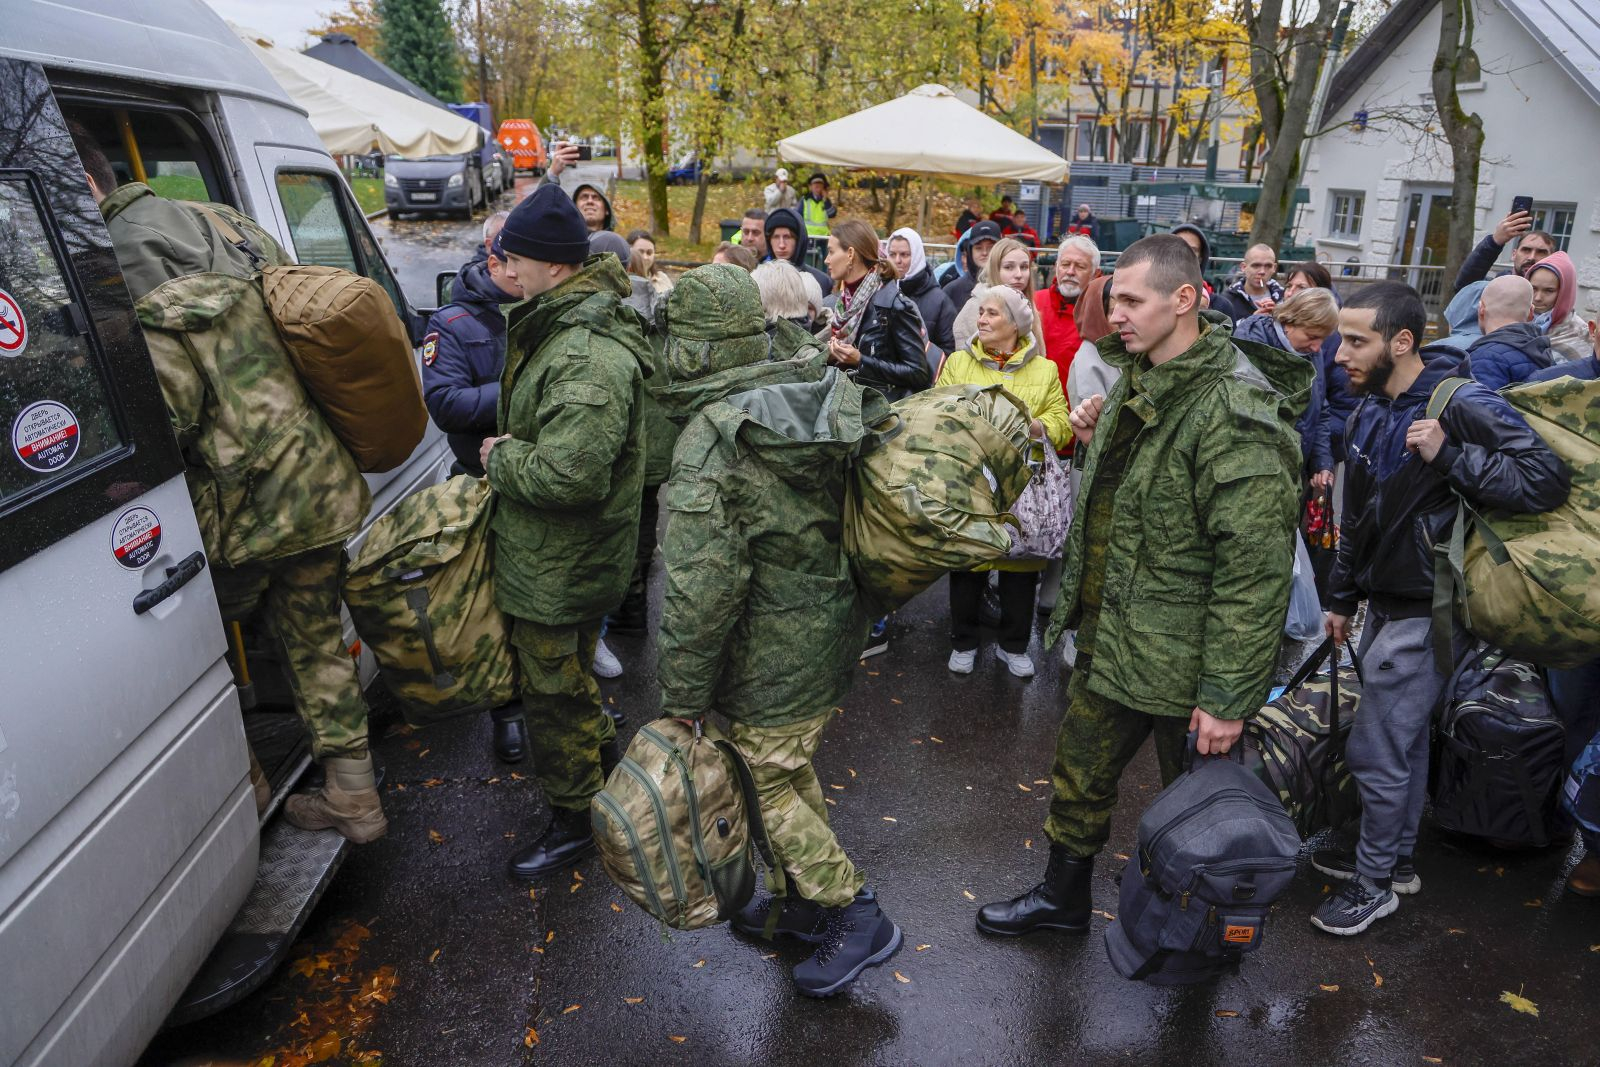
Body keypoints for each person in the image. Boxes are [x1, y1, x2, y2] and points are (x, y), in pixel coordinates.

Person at [976, 235, 1310, 939]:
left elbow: (1252, 572)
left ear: (1183, 299)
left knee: (1200, 810)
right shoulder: (1142, 374)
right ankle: (1063, 900)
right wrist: (1100, 433)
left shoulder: (1234, 410)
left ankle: (1204, 936)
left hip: (1188, 666)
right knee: (1078, 775)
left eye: (1130, 299)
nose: (1113, 313)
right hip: (1118, 638)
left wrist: (1226, 697)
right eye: (1112, 297)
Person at [76, 128, 388, 842]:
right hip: (316, 477)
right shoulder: (224, 219)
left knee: (198, 647)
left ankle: (243, 792)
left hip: (244, 508)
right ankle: (357, 798)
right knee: (314, 641)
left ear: (84, 186)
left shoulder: (115, 262)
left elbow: (171, 413)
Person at [655, 267, 900, 998]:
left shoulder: (713, 437)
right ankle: (798, 902)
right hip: (829, 621)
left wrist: (684, 697)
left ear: (692, 349)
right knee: (784, 767)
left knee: (762, 781)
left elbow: (702, 588)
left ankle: (855, 912)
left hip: (769, 645)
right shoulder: (808, 383)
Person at [1310, 282, 1569, 936]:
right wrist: (1341, 597)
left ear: (1403, 341)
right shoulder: (1371, 407)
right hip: (1384, 606)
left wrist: (1450, 454)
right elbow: (1359, 516)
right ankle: (1391, 862)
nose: (1342, 353)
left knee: (1376, 749)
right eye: (1342, 338)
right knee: (1397, 744)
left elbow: (1544, 479)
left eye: (1358, 340)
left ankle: (1375, 883)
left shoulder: (1459, 400)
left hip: (1431, 610)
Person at [480, 185, 652, 879]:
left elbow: (571, 474)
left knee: (552, 690)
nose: (505, 267)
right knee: (566, 679)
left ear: (555, 266)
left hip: (563, 563)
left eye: (514, 256)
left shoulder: (584, 353)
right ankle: (597, 766)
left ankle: (576, 817)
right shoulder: (559, 324)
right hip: (556, 556)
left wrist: (502, 457)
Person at [935, 286, 1070, 679]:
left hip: (1021, 484)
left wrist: (1039, 427)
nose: (982, 319)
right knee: (967, 564)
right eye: (981, 313)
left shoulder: (1043, 370)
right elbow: (938, 410)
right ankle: (964, 641)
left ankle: (1013, 645)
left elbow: (1061, 423)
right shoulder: (960, 363)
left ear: (1015, 324)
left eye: (992, 314)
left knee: (1021, 569)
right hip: (971, 479)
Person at [1233, 289, 1340, 496]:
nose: (1318, 348)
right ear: (1289, 321)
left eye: (1323, 340)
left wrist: (1321, 462)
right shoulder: (1252, 346)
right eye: (1312, 336)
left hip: (1292, 479)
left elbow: (1320, 411)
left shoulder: (1307, 352)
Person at [819, 219, 930, 402]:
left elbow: (918, 373)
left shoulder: (893, 305)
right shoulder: (844, 303)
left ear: (850, 254)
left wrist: (861, 360)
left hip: (881, 415)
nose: (826, 259)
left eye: (831, 251)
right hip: (845, 405)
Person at [952, 237, 1046, 355]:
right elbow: (962, 362)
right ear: (995, 269)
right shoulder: (975, 307)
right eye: (1008, 267)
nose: (1018, 274)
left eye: (1024, 267)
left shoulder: (1028, 306)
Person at [1459, 275, 1554, 390]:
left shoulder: (1484, 358)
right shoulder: (1544, 352)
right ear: (1531, 312)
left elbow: (1478, 406)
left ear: (1481, 309)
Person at [1034, 235, 1100, 398]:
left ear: (1095, 273)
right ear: (1056, 267)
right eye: (1065, 264)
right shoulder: (1034, 302)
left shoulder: (1103, 314)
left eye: (1080, 266)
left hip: (1078, 413)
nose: (1070, 272)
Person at [886, 226, 956, 358]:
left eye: (904, 254)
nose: (897, 261)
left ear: (917, 256)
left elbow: (948, 352)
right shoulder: (879, 292)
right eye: (892, 254)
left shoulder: (940, 301)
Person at [1452, 209, 1555, 293]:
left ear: (1552, 258)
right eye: (1526, 250)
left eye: (1541, 252)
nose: (1531, 257)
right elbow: (1465, 287)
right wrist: (1495, 241)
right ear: (1514, 254)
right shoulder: (1493, 288)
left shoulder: (1555, 296)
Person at [1528, 252, 1589, 362]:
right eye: (1534, 288)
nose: (1537, 297)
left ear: (1565, 293)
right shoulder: (1514, 321)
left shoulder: (1580, 334)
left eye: (1549, 291)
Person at [764, 206, 832, 296]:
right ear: (769, 241)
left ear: (799, 240)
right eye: (776, 237)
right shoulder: (760, 279)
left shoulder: (820, 281)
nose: (781, 245)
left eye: (787, 237)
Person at [1213, 243, 1283, 321]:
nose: (1262, 271)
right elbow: (1223, 331)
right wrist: (1251, 322)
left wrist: (1277, 315)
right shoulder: (1228, 300)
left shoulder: (1284, 298)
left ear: (1274, 268)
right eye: (1256, 266)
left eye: (1268, 266)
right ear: (1243, 267)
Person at [942, 219, 1001, 309]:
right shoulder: (953, 290)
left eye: (990, 247)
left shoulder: (1012, 286)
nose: (984, 252)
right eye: (978, 248)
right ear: (970, 251)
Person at [1171, 223, 1216, 305]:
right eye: (1178, 247)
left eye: (1192, 250)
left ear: (1200, 259)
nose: (1184, 254)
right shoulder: (1148, 295)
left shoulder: (1220, 305)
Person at [625, 228, 674, 297]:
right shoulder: (623, 282)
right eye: (640, 252)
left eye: (649, 252)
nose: (645, 257)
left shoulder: (662, 278)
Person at [802, 172, 837, 239]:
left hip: (823, 237)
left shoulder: (826, 200)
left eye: (820, 185)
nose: (817, 188)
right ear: (811, 187)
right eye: (815, 185)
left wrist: (825, 200)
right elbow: (798, 216)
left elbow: (832, 214)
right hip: (808, 236)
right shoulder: (805, 200)